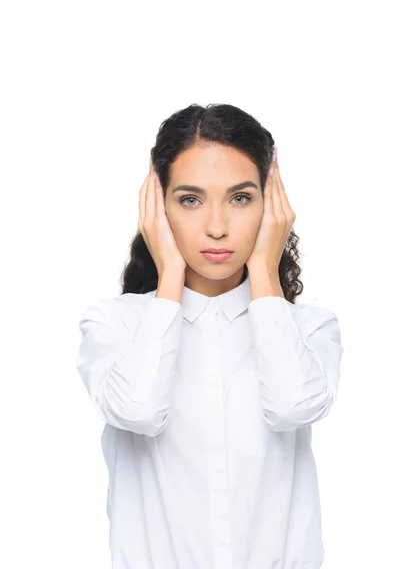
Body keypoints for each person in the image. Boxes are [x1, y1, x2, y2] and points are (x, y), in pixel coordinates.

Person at [76, 103, 344, 569]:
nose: (217, 227)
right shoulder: (116, 325)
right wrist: (170, 275)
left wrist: (264, 267)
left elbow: (292, 407)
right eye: (190, 200)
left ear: (271, 204)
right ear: (158, 208)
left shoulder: (308, 329)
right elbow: (137, 410)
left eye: (241, 198)